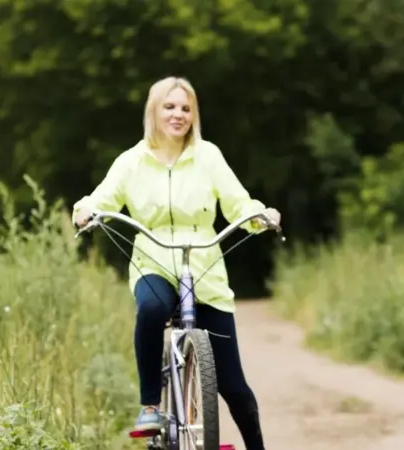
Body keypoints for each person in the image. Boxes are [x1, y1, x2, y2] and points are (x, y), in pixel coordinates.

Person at [72, 76, 276, 450]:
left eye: (185, 108)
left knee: (234, 387)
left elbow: (237, 203)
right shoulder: (131, 161)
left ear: (193, 115)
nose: (178, 114)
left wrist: (260, 215)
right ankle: (150, 404)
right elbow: (103, 197)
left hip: (205, 267)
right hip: (153, 260)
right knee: (152, 309)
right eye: (170, 106)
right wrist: (86, 210)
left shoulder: (208, 156)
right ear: (154, 111)